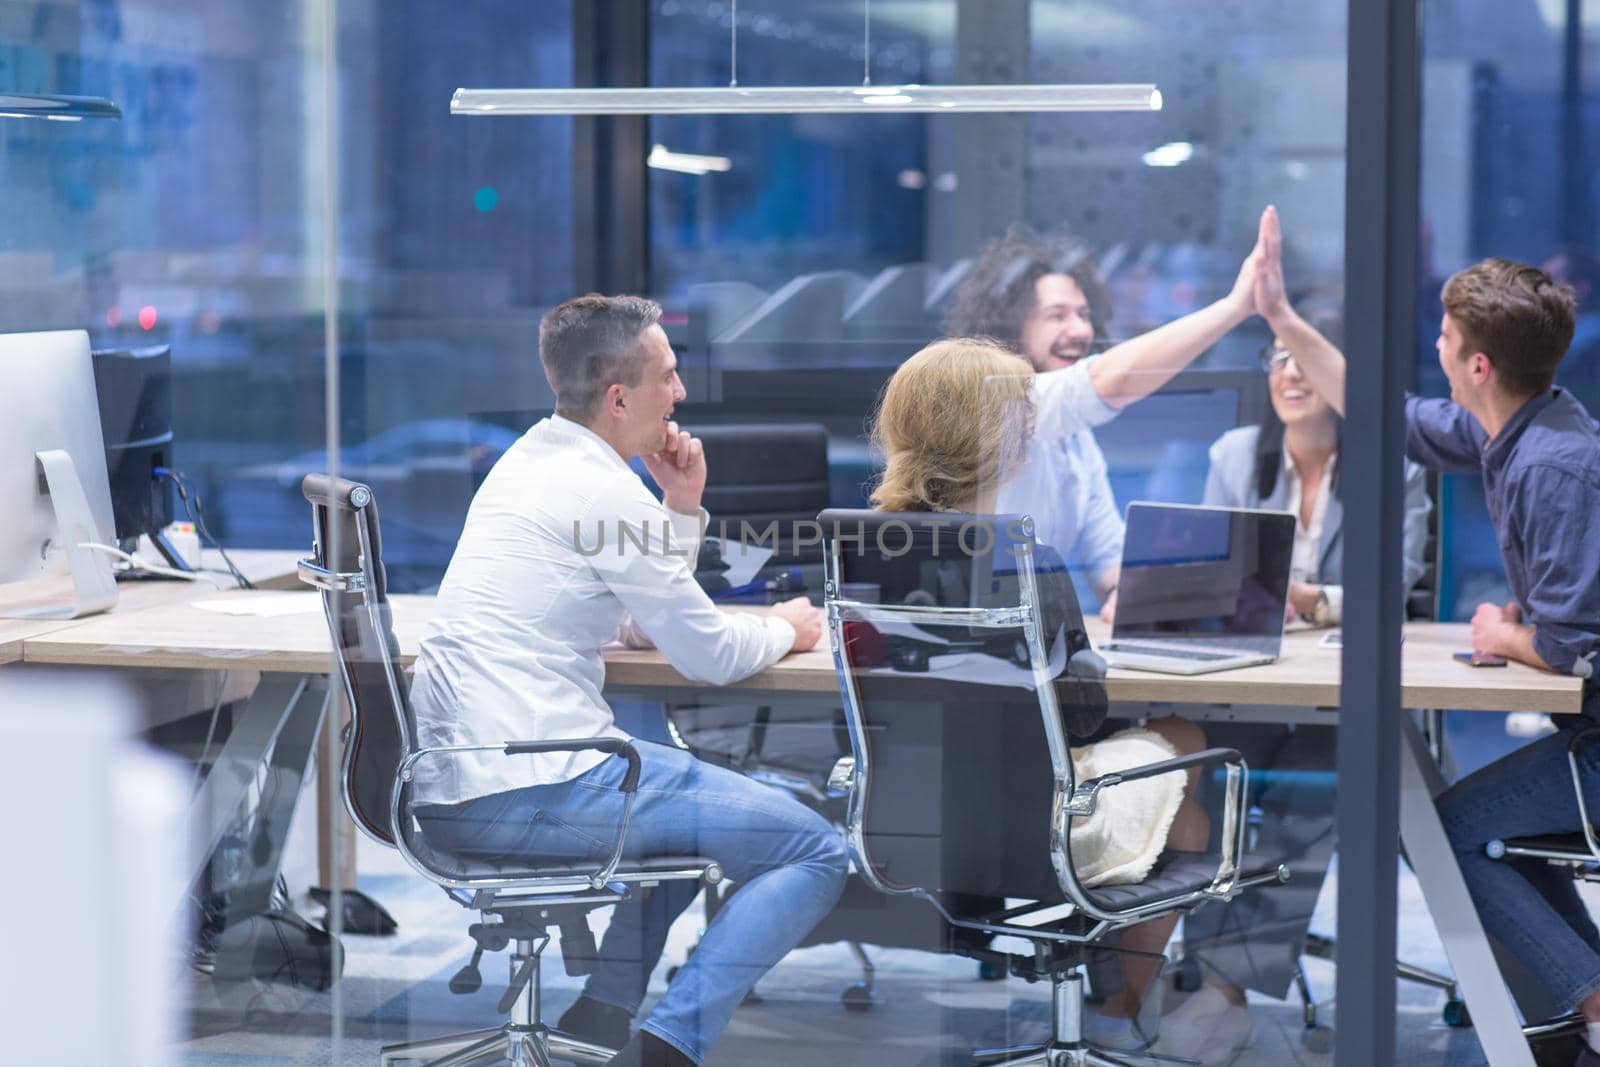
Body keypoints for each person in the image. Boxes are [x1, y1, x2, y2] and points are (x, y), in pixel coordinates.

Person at [405, 295, 849, 1067]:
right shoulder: (599, 489)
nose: (679, 394)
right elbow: (704, 649)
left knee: (694, 807)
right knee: (815, 849)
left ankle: (602, 1010)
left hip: (456, 786)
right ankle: (667, 1050)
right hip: (530, 793)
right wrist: (792, 627)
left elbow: (640, 615)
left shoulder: (534, 459)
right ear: (618, 398)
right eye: (668, 376)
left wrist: (680, 504)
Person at [1256, 215, 1600, 1065]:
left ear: (1477, 365)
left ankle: (1590, 1001)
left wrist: (1503, 630)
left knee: (1449, 832)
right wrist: (1286, 322)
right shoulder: (1516, 426)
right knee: (1481, 832)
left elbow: (1572, 646)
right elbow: (1386, 415)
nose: (1436, 350)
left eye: (1445, 339)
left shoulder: (1554, 465)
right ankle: (1577, 1001)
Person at [869, 337, 1215, 1048]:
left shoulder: (863, 549)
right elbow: (1083, 717)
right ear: (1007, 443)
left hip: (907, 822)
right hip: (1037, 827)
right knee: (1186, 757)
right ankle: (1117, 1012)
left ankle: (1101, 987)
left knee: (1170, 770)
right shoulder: (1028, 560)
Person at [1163, 304, 1433, 1063]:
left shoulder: (1393, 464)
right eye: (1275, 358)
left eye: (1303, 357)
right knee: (1204, 773)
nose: (1288, 371)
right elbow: (1210, 576)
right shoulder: (1235, 452)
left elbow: (1396, 584)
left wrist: (1308, 598)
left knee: (1307, 784)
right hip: (1247, 677)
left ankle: (1225, 989)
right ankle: (1211, 980)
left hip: (1337, 689)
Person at [945, 214, 1275, 610]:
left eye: (1084, 315)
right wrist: (1235, 307)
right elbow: (1108, 382)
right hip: (961, 643)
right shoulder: (993, 403)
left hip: (1033, 644)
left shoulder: (1075, 440)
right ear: (1009, 327)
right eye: (1057, 316)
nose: (1080, 331)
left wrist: (1140, 596)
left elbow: (1106, 557)